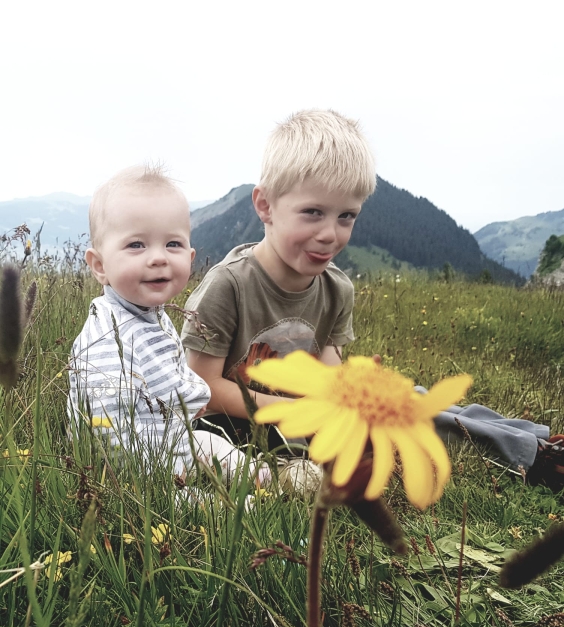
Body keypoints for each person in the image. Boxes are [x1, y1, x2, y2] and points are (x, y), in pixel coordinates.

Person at [181, 109, 564, 492]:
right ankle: (535, 458)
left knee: (409, 400)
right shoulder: (228, 286)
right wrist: (289, 410)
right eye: (313, 213)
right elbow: (199, 387)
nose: (330, 234)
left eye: (347, 216)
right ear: (265, 206)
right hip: (241, 430)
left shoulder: (336, 288)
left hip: (311, 413)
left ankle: (529, 435)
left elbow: (330, 368)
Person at [68, 165, 270, 487]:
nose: (158, 258)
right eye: (136, 245)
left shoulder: (153, 313)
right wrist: (152, 477)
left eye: (172, 244)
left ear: (190, 258)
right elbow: (104, 426)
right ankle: (240, 510)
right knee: (201, 508)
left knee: (222, 451)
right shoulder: (107, 335)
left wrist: (194, 393)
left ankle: (264, 482)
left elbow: (172, 367)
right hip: (137, 466)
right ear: (100, 265)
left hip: (174, 437)